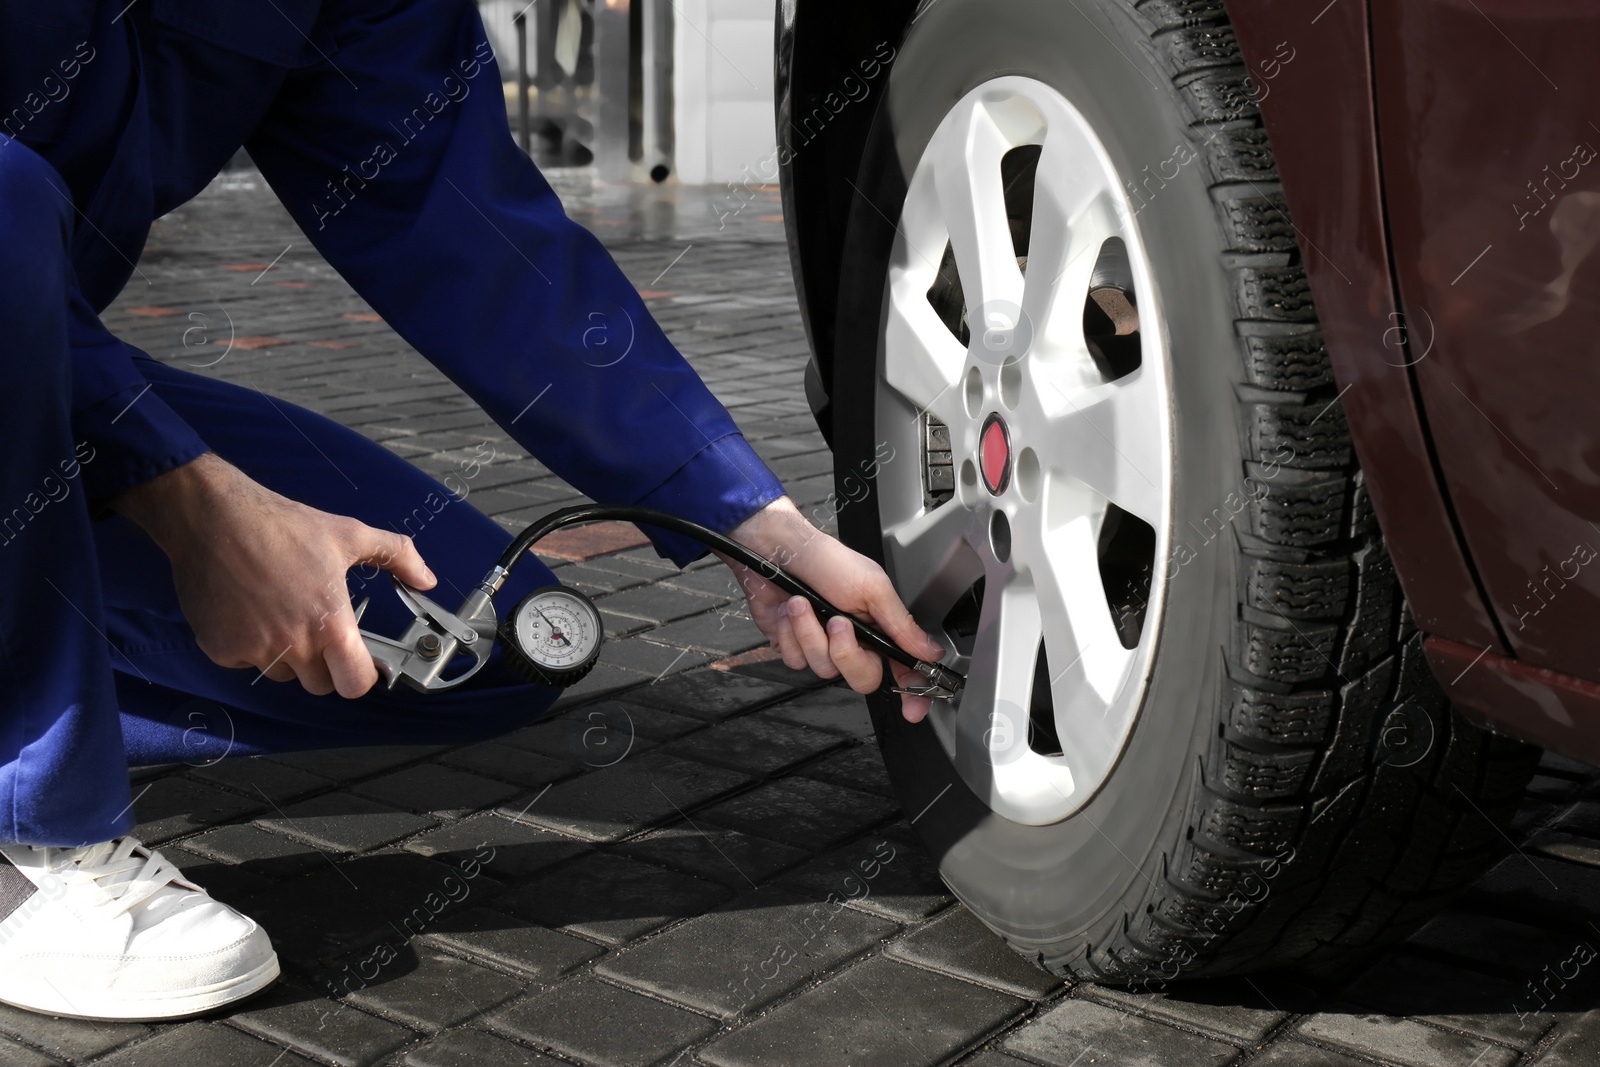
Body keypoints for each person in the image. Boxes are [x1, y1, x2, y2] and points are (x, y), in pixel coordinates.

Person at [0, 0, 943, 1021]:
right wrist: (190, 502)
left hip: (35, 380)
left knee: (456, 645)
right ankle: (32, 819)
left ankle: (50, 696)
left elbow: (472, 231)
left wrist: (757, 526)